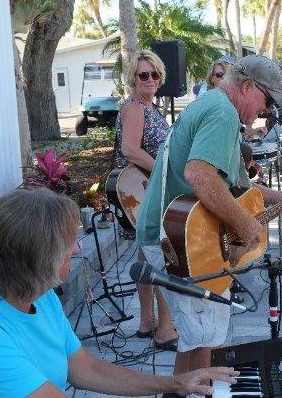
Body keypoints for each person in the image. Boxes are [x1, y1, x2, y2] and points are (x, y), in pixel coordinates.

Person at [0, 188, 238, 397]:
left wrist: (175, 383)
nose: (77, 249)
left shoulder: (40, 295)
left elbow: (85, 369)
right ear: (41, 258)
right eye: (70, 245)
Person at [135, 55, 282, 396]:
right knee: (204, 336)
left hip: (176, 235)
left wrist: (281, 196)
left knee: (194, 335)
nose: (265, 110)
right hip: (177, 239)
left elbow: (230, 184)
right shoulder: (222, 112)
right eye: (266, 100)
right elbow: (199, 175)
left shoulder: (216, 105)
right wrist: (244, 224)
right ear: (247, 87)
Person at [115, 49, 179, 350]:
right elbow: (129, 149)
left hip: (146, 192)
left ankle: (146, 322)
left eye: (154, 73)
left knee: (146, 257)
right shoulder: (135, 109)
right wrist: (163, 174)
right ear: (133, 79)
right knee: (164, 257)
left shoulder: (149, 108)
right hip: (148, 193)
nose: (150, 79)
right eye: (143, 74)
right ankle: (166, 329)